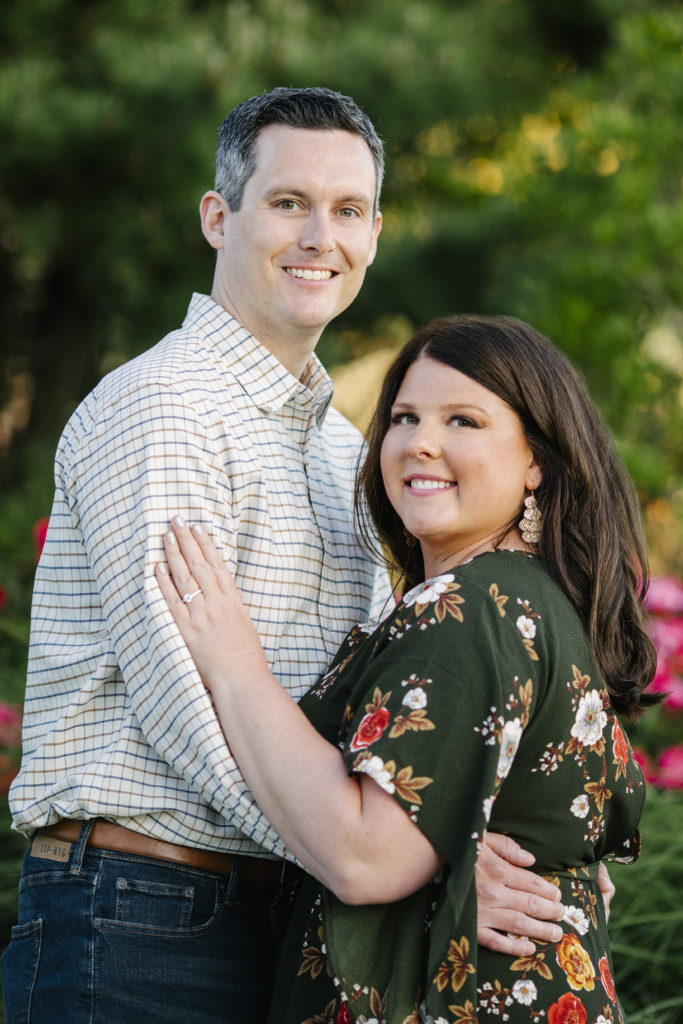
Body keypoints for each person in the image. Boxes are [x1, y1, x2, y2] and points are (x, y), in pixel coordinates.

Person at [2, 89, 564, 1024]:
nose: (320, 236)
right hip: (137, 917)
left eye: (346, 211)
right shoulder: (165, 408)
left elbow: (359, 709)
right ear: (219, 217)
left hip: (277, 911)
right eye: (288, 203)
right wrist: (399, 865)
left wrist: (428, 843)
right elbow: (186, 703)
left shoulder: (348, 450)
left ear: (375, 235)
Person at [156, 314, 657, 1023]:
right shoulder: (529, 603)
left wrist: (235, 666)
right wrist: (449, 867)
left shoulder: (472, 607)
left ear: (535, 460)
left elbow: (366, 857)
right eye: (403, 417)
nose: (420, 441)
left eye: (463, 420)